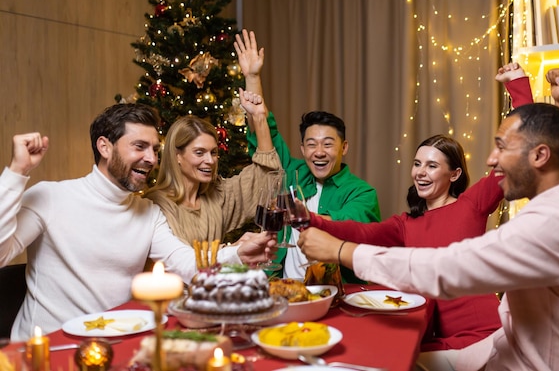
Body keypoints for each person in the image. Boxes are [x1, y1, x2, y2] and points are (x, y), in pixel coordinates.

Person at [298, 103, 559, 370]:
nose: (491, 161)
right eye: (417, 164)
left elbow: (448, 268)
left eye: (501, 148)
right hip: (502, 347)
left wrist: (342, 251)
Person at [0, 103, 275, 340]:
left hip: (114, 343)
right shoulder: (51, 196)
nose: (152, 159)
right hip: (47, 349)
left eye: (155, 149)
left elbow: (186, 263)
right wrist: (16, 172)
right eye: (140, 147)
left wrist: (237, 254)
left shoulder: (147, 212)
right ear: (104, 147)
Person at [235, 29, 381, 281]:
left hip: (337, 294)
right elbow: (263, 132)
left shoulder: (362, 193)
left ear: (343, 147)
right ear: (303, 150)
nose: (319, 152)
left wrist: (303, 215)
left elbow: (349, 226)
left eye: (328, 144)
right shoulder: (290, 173)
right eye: (312, 144)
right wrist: (252, 77)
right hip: (285, 289)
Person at [143, 89, 281, 247]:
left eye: (213, 152)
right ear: (177, 156)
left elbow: (265, 180)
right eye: (199, 152)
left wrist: (259, 118)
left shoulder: (216, 195)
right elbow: (179, 257)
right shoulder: (157, 203)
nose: (210, 160)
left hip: (217, 272)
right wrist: (233, 250)